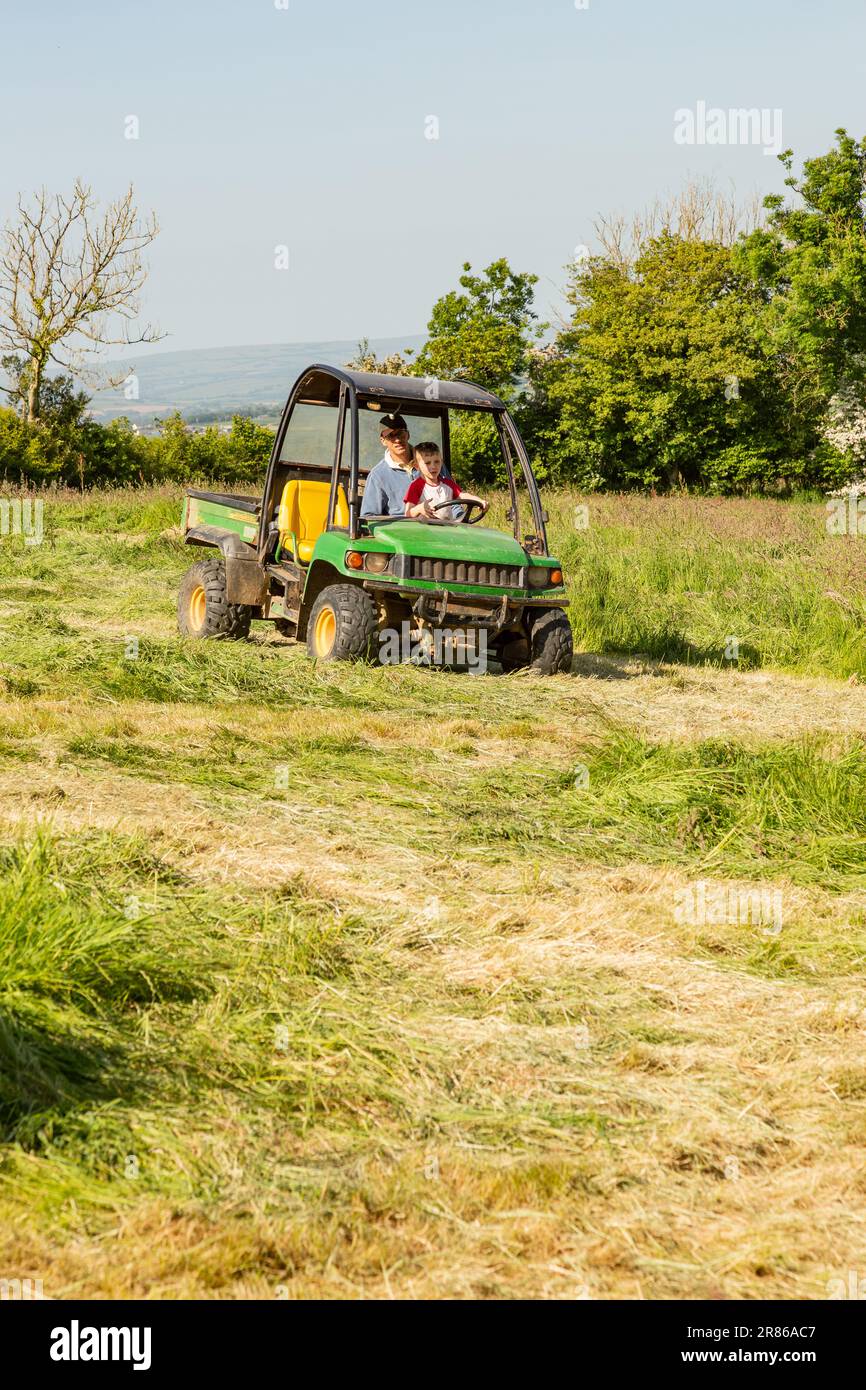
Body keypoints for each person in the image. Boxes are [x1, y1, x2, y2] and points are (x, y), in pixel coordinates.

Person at [404, 441, 488, 522]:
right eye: (427, 463)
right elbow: (408, 513)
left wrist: (479, 501)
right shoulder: (415, 486)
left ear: (441, 462)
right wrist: (419, 508)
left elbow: (463, 496)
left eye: (436, 462)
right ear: (417, 466)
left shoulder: (448, 484)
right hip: (425, 530)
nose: (433, 466)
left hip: (447, 528)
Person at [359, 414, 419, 517]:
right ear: (383, 441)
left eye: (401, 434)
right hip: (402, 529)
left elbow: (452, 499)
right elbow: (369, 517)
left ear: (408, 435)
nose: (397, 440)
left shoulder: (432, 462)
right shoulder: (378, 475)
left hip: (437, 525)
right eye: (391, 435)